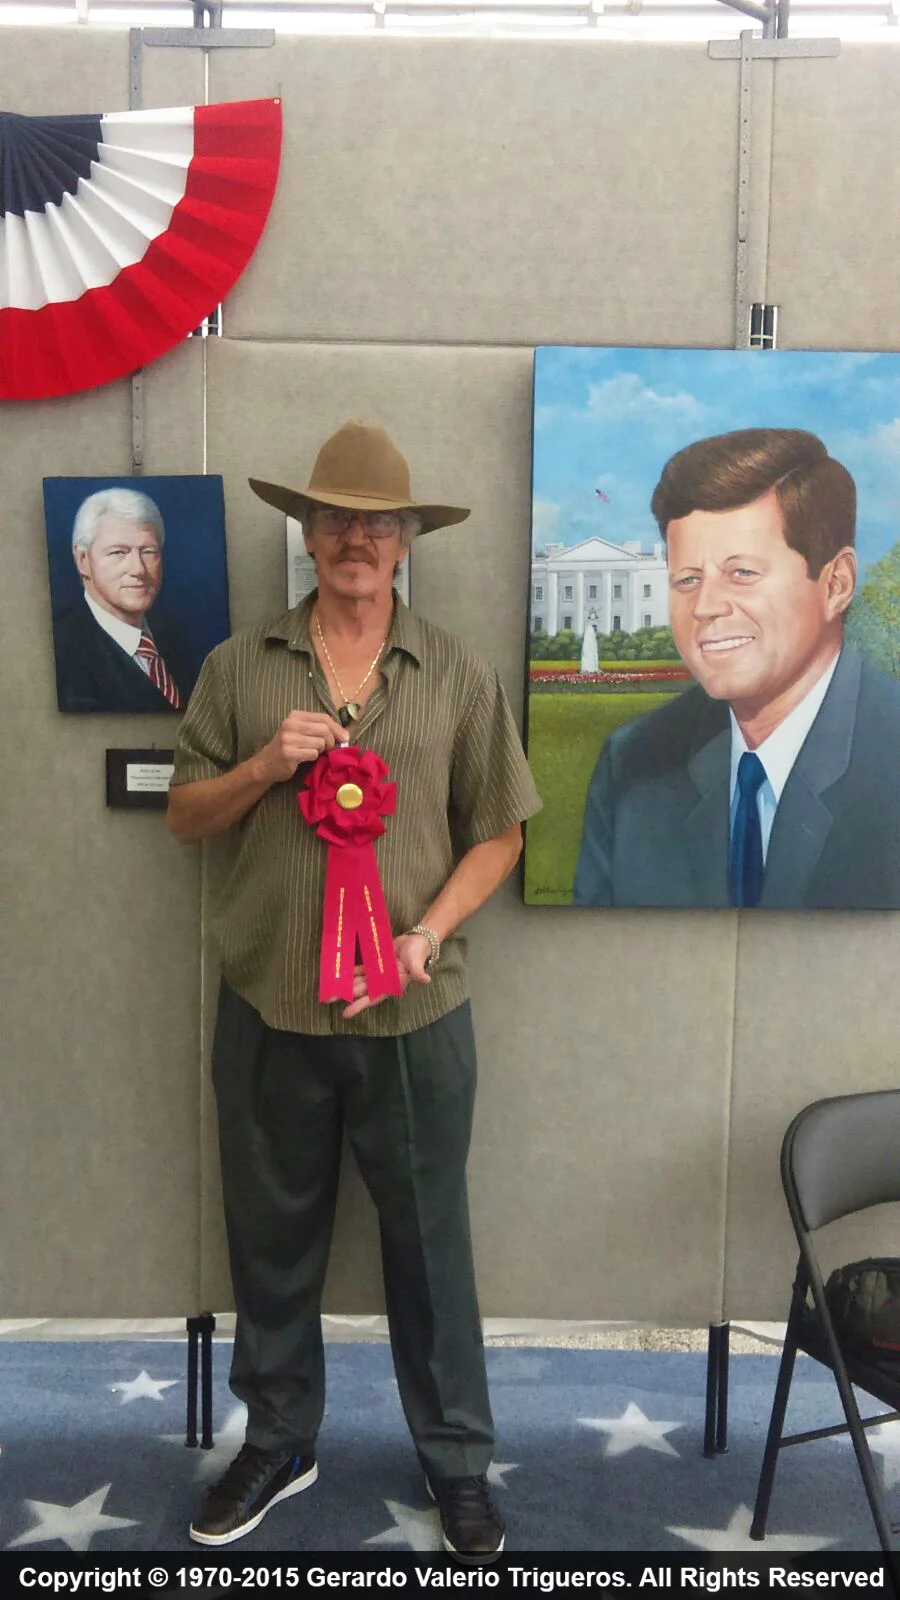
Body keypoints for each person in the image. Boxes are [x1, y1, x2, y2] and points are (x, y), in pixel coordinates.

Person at [167, 421, 541, 1560]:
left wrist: (429, 930)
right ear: (307, 533)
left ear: (407, 541)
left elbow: (503, 831)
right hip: (269, 1008)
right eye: (335, 518)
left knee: (431, 1245)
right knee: (270, 1239)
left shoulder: (455, 673)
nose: (355, 539)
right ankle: (281, 1440)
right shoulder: (240, 668)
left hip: (414, 1017)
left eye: (378, 523)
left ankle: (457, 1460)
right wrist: (262, 766)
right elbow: (184, 816)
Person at [573, 427, 900, 909]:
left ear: (836, 585)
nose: (705, 606)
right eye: (688, 579)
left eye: (741, 573)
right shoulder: (635, 763)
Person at [53, 486, 197, 712]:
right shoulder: (63, 651)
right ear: (83, 560)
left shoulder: (177, 636)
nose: (138, 569)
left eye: (148, 551)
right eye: (119, 552)